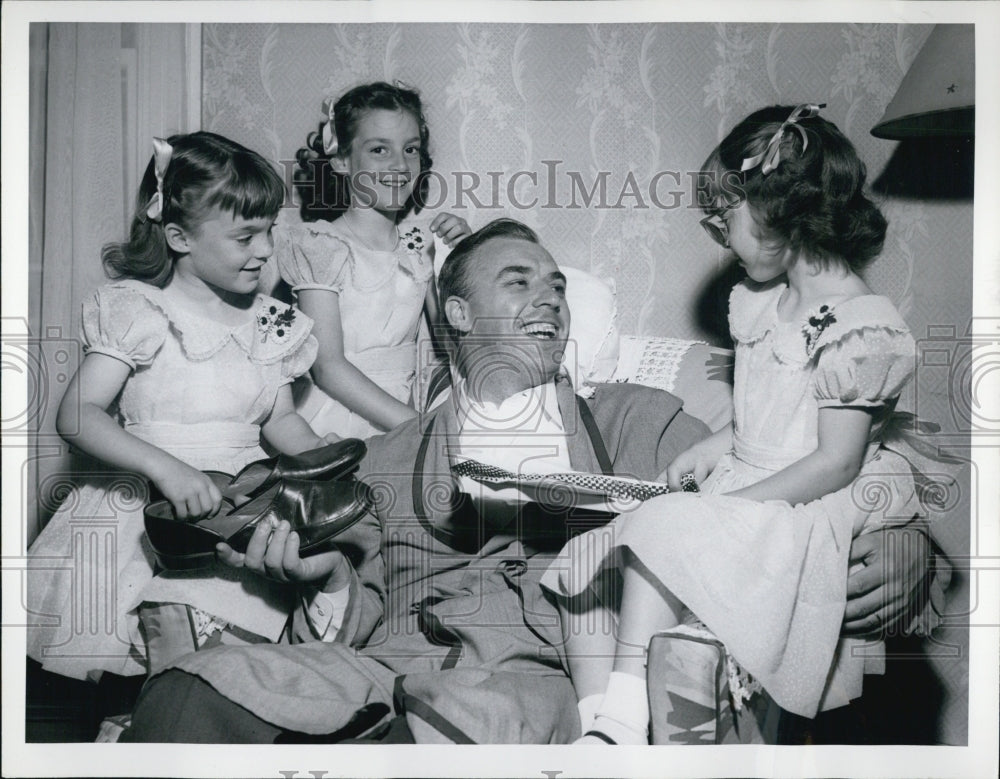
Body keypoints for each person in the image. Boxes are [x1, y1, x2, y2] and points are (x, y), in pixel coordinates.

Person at [121, 218, 933, 745]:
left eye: (556, 289)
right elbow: (355, 599)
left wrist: (906, 545)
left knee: (455, 729)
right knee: (195, 690)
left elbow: (807, 467)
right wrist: (326, 580)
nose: (551, 301)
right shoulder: (386, 453)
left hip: (534, 686)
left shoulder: (636, 422)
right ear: (458, 316)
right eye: (519, 283)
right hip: (379, 668)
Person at [542, 104, 934, 745]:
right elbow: (769, 408)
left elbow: (835, 459)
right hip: (753, 475)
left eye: (723, 218)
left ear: (778, 204)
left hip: (806, 498)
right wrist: (719, 445)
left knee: (664, 529)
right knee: (590, 561)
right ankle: (605, 727)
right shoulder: (758, 301)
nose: (719, 236)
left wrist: (731, 509)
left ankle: (620, 719)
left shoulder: (862, 327)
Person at [27, 132, 332, 684]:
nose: (265, 251)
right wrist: (165, 468)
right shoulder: (141, 310)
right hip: (141, 515)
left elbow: (279, 418)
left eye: (269, 231)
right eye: (246, 236)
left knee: (213, 665)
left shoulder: (271, 322)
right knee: (132, 665)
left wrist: (317, 452)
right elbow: (76, 416)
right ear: (178, 236)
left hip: (232, 510)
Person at [274, 81, 471, 439]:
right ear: (342, 161)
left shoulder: (421, 242)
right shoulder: (321, 245)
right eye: (380, 149)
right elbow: (328, 368)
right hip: (336, 413)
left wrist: (461, 259)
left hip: (406, 405)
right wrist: (415, 428)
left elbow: (450, 341)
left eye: (411, 149)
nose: (400, 164)